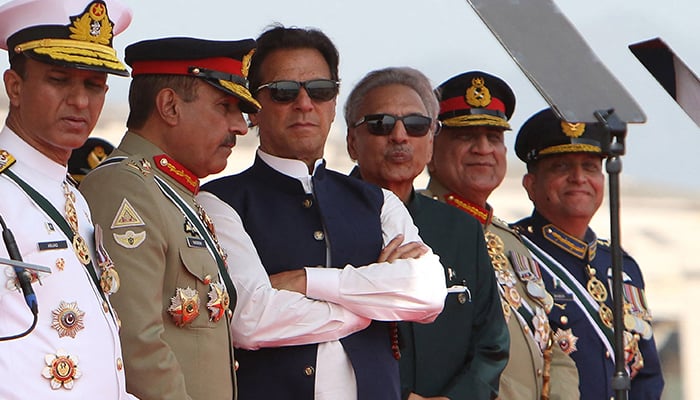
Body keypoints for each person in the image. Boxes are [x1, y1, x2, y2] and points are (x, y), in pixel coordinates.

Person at [198, 25, 446, 400]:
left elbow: (427, 294)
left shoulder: (378, 202)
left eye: (320, 91)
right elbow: (251, 320)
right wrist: (371, 305)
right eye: (283, 92)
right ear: (253, 108)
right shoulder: (219, 201)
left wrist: (305, 282)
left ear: (333, 105)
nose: (304, 104)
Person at [78, 37, 262, 399]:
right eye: (225, 106)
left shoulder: (174, 192)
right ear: (169, 106)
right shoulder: (124, 187)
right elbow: (136, 344)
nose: (241, 127)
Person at [344, 66, 509, 399]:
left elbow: (491, 343)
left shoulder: (461, 229)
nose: (400, 137)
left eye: (417, 126)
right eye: (381, 124)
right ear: (351, 142)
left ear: (431, 142)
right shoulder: (324, 221)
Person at [0, 0, 135, 398]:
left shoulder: (72, 195)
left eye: (93, 85)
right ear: (15, 86)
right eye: (59, 80)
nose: (80, 101)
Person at [423, 71, 580, 399]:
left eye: (494, 138)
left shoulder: (512, 242)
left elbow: (552, 347)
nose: (483, 149)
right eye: (467, 137)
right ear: (431, 150)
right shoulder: (417, 227)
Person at [511, 108, 664, 399]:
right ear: (531, 185)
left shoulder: (621, 265)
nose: (578, 178)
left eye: (590, 167)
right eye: (561, 167)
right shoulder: (513, 254)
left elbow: (647, 374)